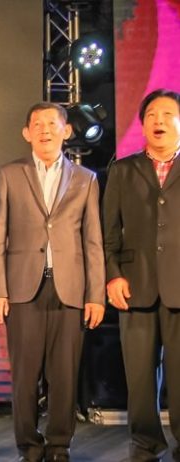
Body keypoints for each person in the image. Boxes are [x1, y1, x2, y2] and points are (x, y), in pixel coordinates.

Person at [0, 102, 105, 462]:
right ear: (27, 133)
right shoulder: (9, 174)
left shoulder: (86, 179)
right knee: (25, 375)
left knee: (64, 374)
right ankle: (29, 446)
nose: (45, 130)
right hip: (23, 289)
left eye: (52, 123)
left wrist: (96, 295)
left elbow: (93, 240)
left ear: (66, 131)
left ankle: (58, 445)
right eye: (37, 124)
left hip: (70, 289)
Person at [103, 88, 180, 462]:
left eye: (167, 114)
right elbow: (108, 234)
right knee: (139, 377)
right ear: (143, 124)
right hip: (134, 287)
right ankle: (145, 444)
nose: (158, 121)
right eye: (151, 115)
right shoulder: (123, 170)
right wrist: (113, 275)